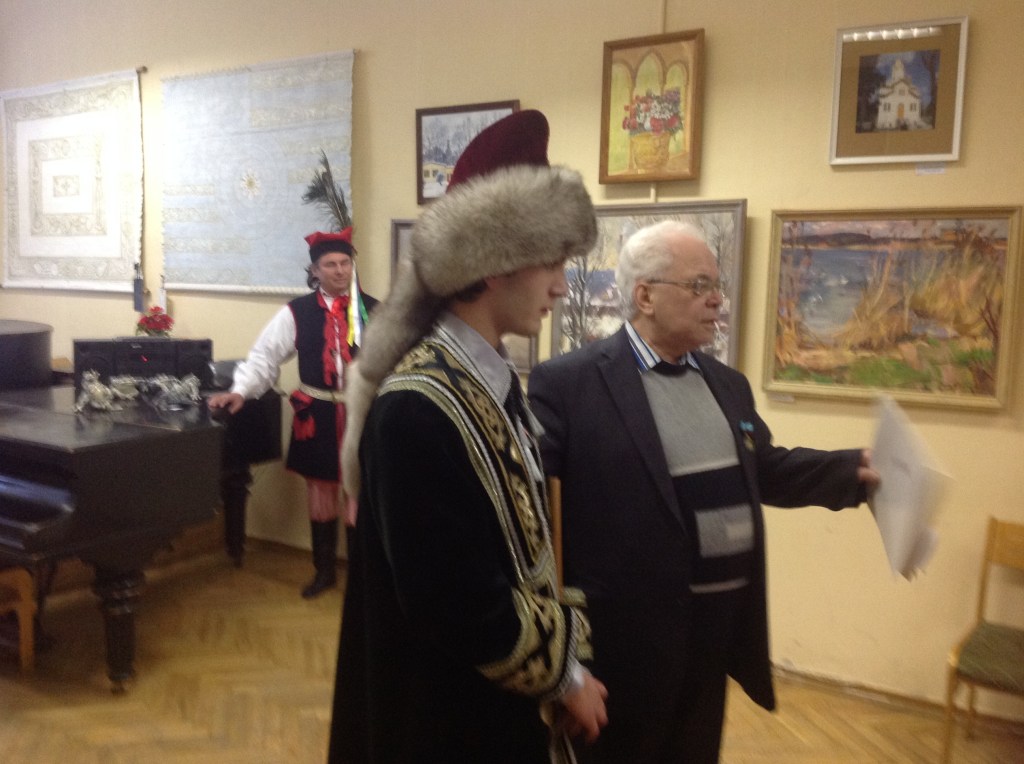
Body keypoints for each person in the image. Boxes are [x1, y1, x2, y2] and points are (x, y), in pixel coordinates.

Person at [527, 220, 880, 763]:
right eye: (698, 286)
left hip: (712, 640)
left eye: (717, 285)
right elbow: (536, 519)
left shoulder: (726, 384)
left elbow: (763, 469)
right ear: (645, 296)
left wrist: (854, 469)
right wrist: (565, 664)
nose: (717, 299)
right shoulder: (569, 384)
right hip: (622, 648)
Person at [328, 110, 608, 763]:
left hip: (490, 710)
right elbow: (455, 604)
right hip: (443, 722)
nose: (561, 285)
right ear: (491, 263)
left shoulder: (483, 381)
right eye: (551, 261)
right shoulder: (416, 407)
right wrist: (566, 675)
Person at [207, 229, 378, 599]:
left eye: (345, 263)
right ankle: (324, 572)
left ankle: (362, 579)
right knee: (321, 492)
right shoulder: (296, 312)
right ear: (315, 270)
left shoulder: (374, 310)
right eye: (330, 265)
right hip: (317, 413)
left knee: (360, 493)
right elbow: (264, 357)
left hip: (363, 413)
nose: (340, 271)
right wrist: (240, 391)